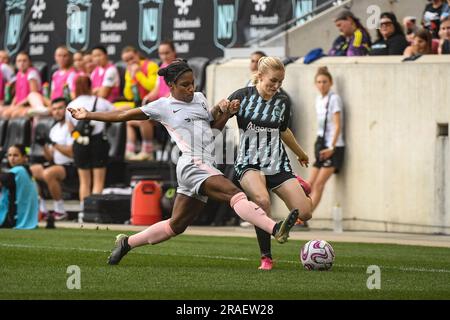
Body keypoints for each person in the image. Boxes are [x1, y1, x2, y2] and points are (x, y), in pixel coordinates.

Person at [67, 59, 300, 265]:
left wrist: (225, 112)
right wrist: (88, 115)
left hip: (206, 164)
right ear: (171, 86)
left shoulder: (199, 99)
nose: (191, 89)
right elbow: (122, 115)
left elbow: (211, 131)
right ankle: (275, 228)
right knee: (235, 194)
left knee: (176, 226)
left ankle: (126, 243)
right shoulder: (163, 106)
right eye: (184, 85)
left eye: (192, 83)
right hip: (192, 164)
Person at [227, 56, 313, 270]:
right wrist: (224, 109)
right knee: (262, 200)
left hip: (276, 162)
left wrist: (300, 153)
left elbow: (283, 130)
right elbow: (217, 119)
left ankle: (301, 187)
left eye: (280, 82)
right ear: (260, 75)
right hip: (248, 162)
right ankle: (266, 257)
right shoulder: (242, 96)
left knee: (305, 213)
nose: (276, 86)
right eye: (272, 81)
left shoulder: (282, 102)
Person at [66, 75, 114, 218]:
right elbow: (115, 114)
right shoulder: (101, 102)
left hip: (80, 144)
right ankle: (95, 211)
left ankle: (83, 211)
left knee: (84, 181)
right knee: (98, 180)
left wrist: (80, 139)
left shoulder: (72, 103)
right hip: (98, 142)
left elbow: (71, 131)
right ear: (90, 85)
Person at [30, 98, 76, 222]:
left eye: (60, 108)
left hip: (71, 166)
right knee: (31, 171)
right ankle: (42, 209)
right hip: (56, 164)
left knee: (49, 173)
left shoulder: (71, 126)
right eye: (54, 109)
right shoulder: (54, 129)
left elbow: (71, 153)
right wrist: (44, 145)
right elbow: (49, 157)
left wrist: (53, 144)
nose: (57, 112)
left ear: (67, 109)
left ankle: (60, 211)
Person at [308, 67, 345, 212]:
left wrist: (332, 147)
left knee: (318, 184)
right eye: (319, 82)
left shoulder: (334, 99)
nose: (322, 85)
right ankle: (301, 212)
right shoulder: (318, 99)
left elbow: (337, 125)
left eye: (324, 82)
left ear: (330, 83)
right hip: (320, 142)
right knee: (309, 183)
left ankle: (304, 217)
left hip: (333, 146)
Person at [121, 46, 159, 161]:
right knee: (128, 121)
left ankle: (148, 150)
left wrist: (138, 74)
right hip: (139, 104)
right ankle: (130, 151)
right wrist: (131, 79)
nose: (130, 62)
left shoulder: (151, 65)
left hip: (154, 103)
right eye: (126, 61)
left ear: (137, 54)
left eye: (131, 58)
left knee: (143, 120)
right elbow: (128, 95)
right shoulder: (129, 71)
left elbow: (152, 86)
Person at [0, 144, 39, 229]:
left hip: (13, 219)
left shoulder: (17, 171)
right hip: (28, 221)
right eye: (9, 155)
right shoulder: (28, 172)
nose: (12, 158)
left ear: (24, 157)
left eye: (16, 155)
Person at [0, 51, 43, 118]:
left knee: (8, 114)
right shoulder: (18, 74)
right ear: (16, 63)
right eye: (19, 61)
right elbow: (17, 95)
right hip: (20, 105)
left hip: (30, 106)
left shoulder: (32, 74)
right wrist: (12, 105)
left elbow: (33, 96)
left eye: (24, 61)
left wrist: (17, 106)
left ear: (29, 62)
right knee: (1, 110)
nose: (21, 63)